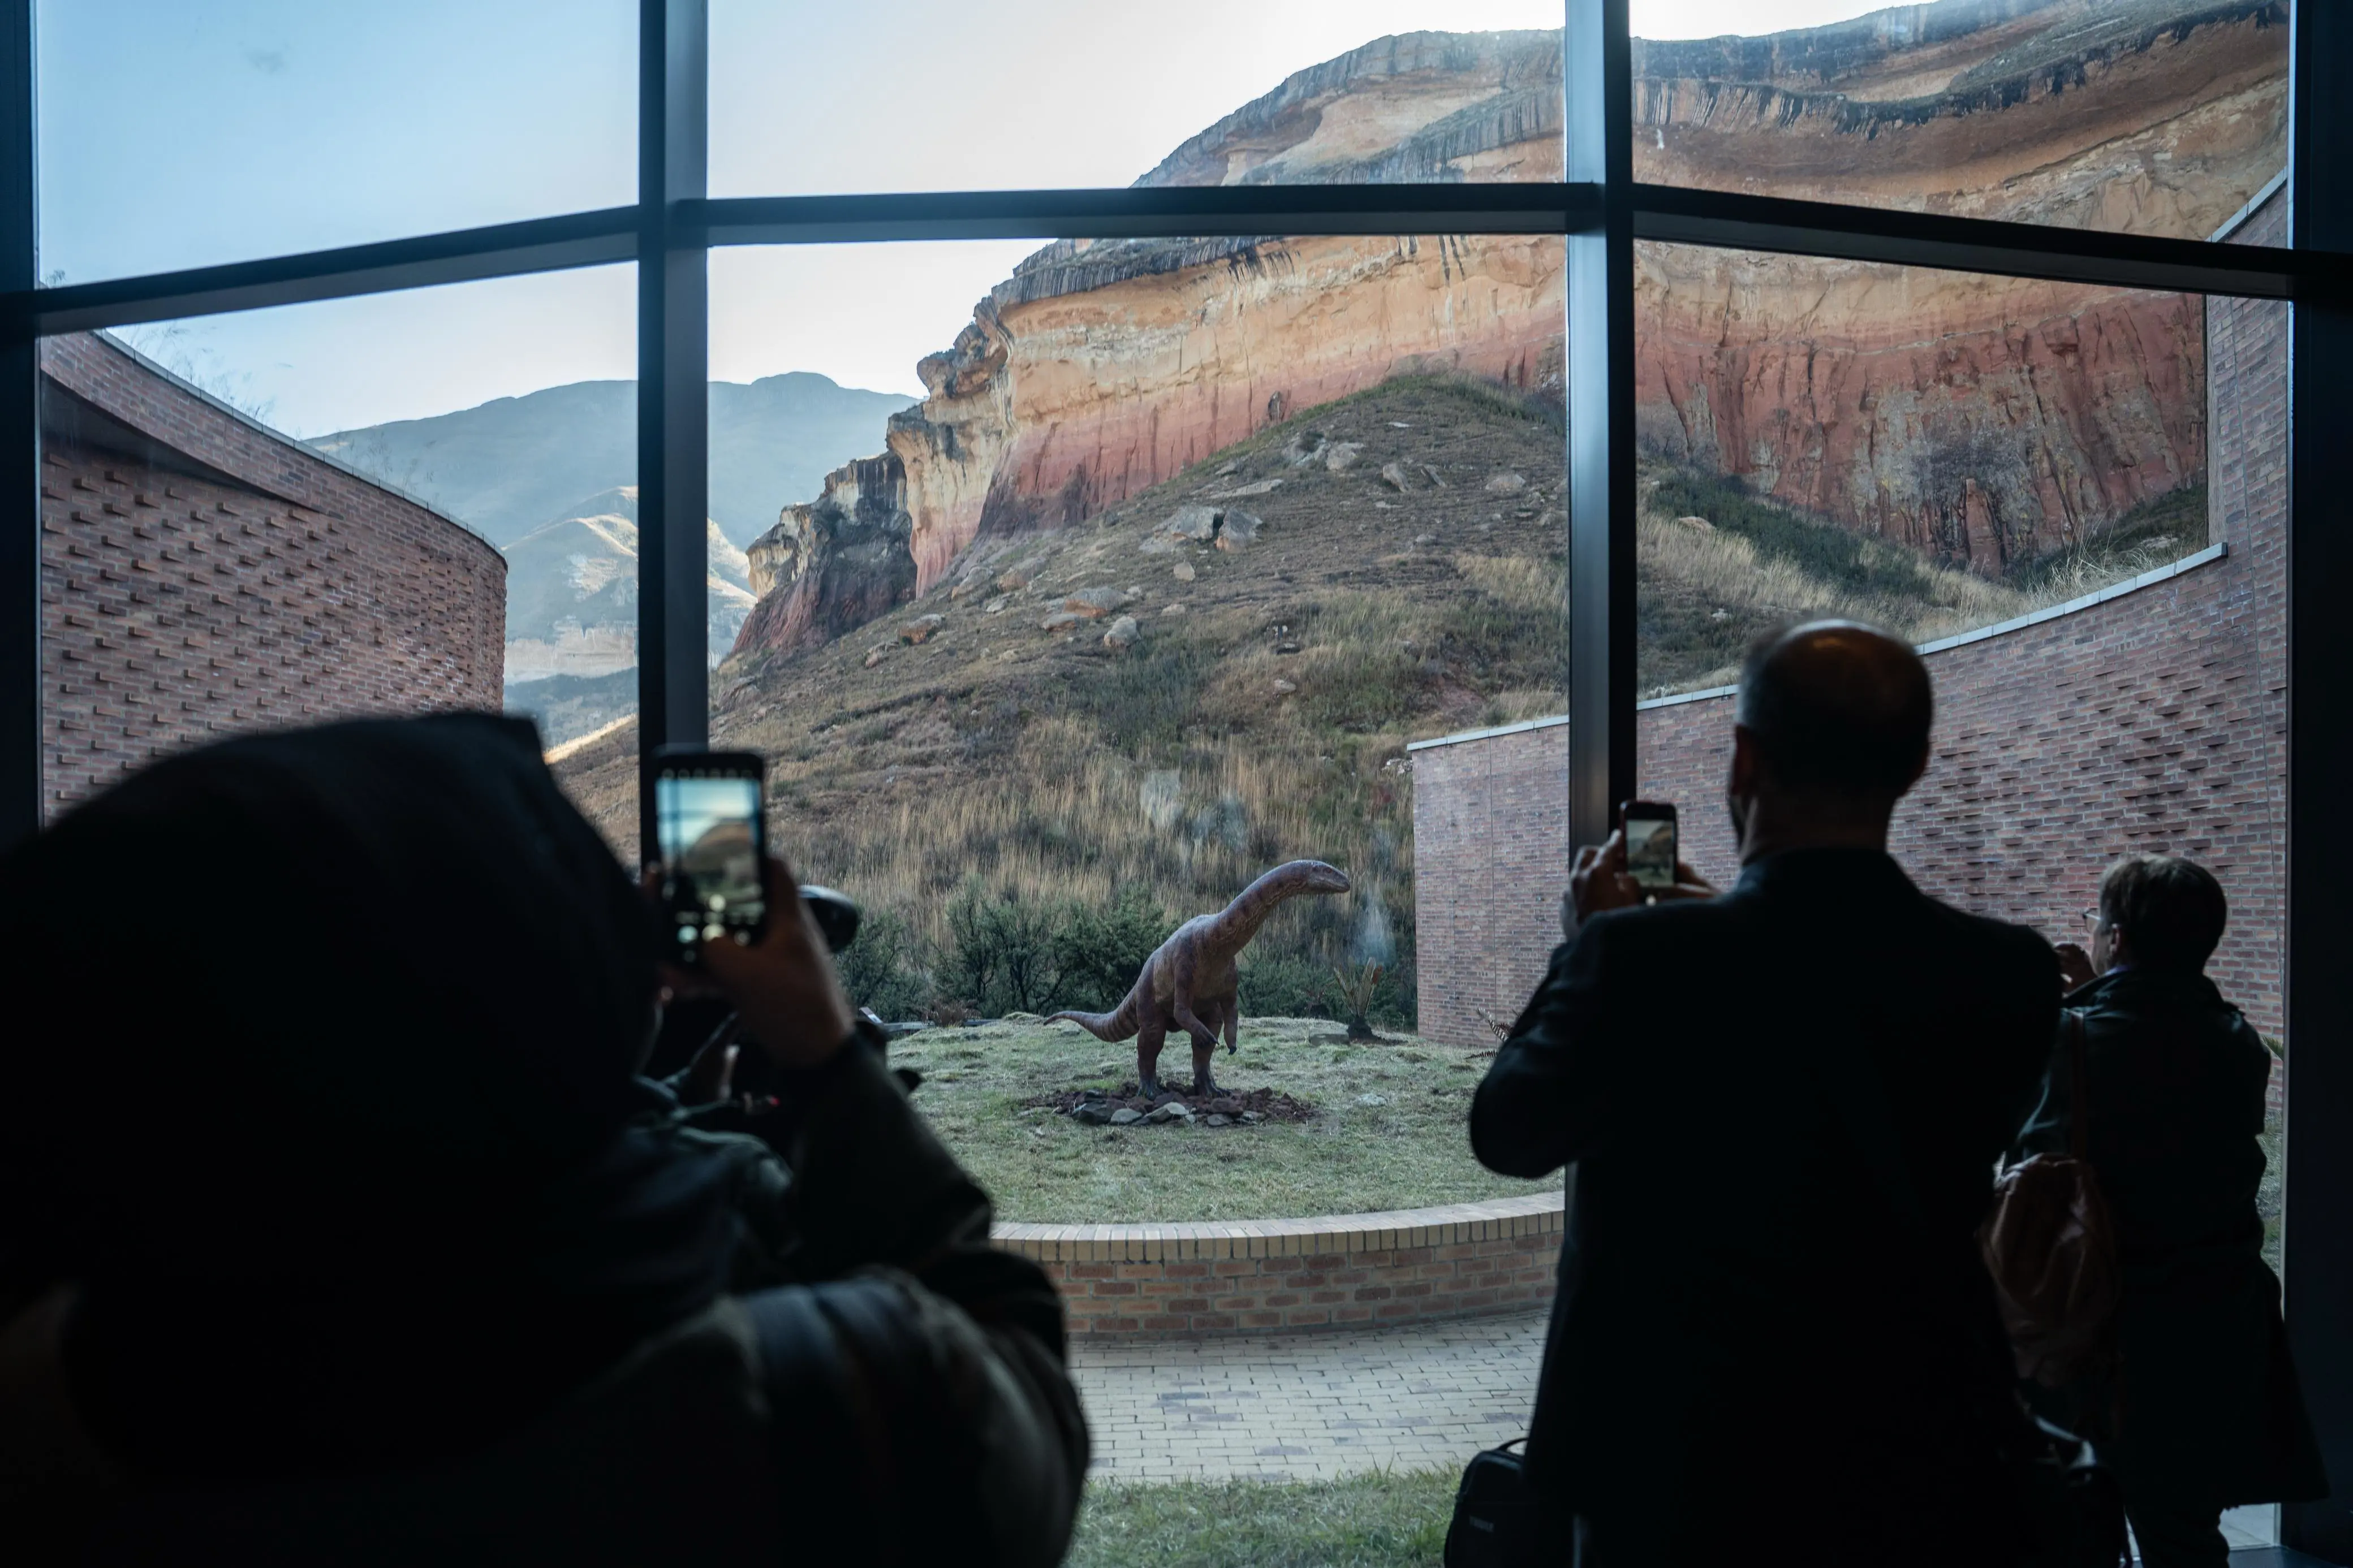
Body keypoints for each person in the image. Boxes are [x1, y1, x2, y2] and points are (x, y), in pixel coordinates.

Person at [0, 714, 1087, 1566]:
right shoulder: (831, 1401)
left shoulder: (49, 1420)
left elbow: (415, 1177)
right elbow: (1017, 1359)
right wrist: (825, 1053)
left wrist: (643, 1116)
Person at [1471, 621, 2059, 1566]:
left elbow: (1507, 1131)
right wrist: (1714, 921)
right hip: (1917, 1453)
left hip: (1676, 1471)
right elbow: (1834, 997)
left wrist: (1587, 942)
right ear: (1914, 766)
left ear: (1743, 759)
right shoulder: (2008, 975)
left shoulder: (1635, 963)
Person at [2013, 855, 2325, 1568]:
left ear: (2115, 938)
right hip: (2210, 1327)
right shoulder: (2238, 1042)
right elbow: (2154, 1058)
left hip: (2093, 1328)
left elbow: (2025, 1159)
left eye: (2093, 923)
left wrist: (2065, 1009)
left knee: (2073, 1526)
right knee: (2182, 1534)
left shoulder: (2065, 1040)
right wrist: (2096, 1000)